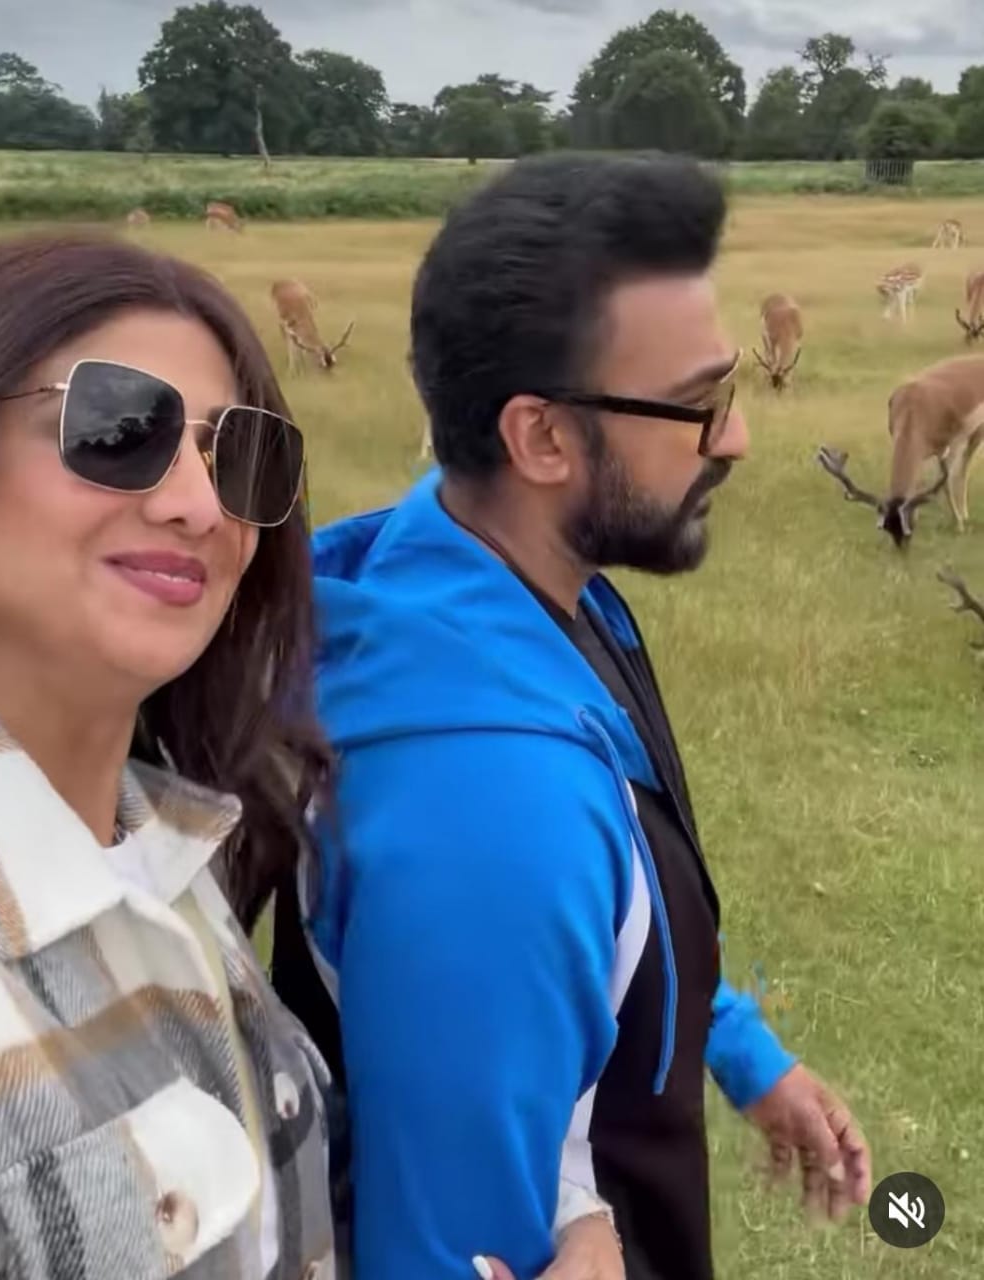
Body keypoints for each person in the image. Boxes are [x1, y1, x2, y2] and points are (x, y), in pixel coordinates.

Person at [0, 232, 620, 1280]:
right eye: (118, 427)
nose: (199, 503)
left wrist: (570, 1213)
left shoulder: (172, 866)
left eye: (240, 457)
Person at [287, 154, 873, 1280]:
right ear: (543, 439)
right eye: (699, 404)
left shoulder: (490, 578)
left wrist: (739, 1047)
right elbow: (449, 1246)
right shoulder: (490, 809)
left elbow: (609, 911)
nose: (734, 439)